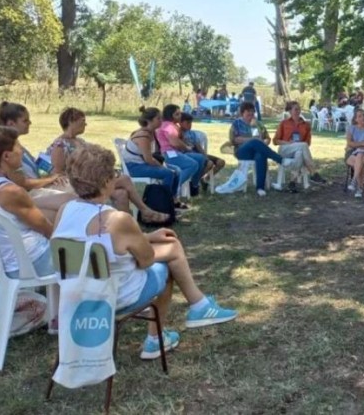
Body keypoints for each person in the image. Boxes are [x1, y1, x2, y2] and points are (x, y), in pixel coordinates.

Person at [53, 144, 237, 359]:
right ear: (106, 181)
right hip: (114, 294)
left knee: (169, 248)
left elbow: (95, 243)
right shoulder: (116, 219)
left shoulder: (65, 211)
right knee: (167, 265)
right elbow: (147, 260)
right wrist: (148, 243)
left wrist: (148, 237)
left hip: (77, 293)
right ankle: (156, 338)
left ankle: (199, 305)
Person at [0, 126, 55, 279]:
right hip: (34, 262)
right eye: (18, 147)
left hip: (5, 266)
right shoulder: (11, 192)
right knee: (90, 250)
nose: (21, 152)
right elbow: (47, 230)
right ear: (6, 156)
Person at [49, 107, 166, 216]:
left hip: (90, 180)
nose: (85, 124)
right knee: (125, 179)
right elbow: (57, 172)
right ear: (71, 121)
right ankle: (145, 211)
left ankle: (125, 228)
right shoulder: (60, 144)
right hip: (78, 183)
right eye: (82, 120)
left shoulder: (79, 141)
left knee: (121, 194)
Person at [124, 107, 189, 210]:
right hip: (134, 167)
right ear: (149, 121)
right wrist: (162, 167)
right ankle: (164, 203)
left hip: (141, 164)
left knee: (176, 170)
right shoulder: (143, 136)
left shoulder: (151, 132)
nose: (161, 121)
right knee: (168, 173)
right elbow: (149, 159)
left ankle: (172, 200)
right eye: (158, 118)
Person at [229, 101, 291, 196]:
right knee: (254, 141)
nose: (250, 113)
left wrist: (263, 142)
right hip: (242, 151)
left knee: (260, 155)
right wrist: (253, 140)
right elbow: (235, 140)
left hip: (257, 150)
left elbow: (267, 138)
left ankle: (260, 188)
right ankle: (280, 159)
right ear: (242, 112)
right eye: (248, 111)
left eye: (252, 111)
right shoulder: (236, 124)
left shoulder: (259, 124)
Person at [155, 104, 208, 197]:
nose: (180, 116)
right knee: (193, 165)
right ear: (170, 115)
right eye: (177, 114)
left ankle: (194, 185)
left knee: (200, 158)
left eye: (179, 113)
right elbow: (175, 143)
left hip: (176, 153)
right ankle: (171, 188)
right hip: (169, 154)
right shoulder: (168, 126)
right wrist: (187, 147)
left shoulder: (172, 125)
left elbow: (179, 140)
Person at [272, 101, 328, 189]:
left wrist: (298, 145)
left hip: (300, 149)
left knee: (300, 153)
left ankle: (292, 183)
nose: (298, 111)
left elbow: (307, 143)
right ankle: (313, 172)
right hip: (285, 149)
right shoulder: (284, 123)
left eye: (299, 109)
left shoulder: (305, 125)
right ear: (290, 111)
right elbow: (275, 141)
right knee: (302, 146)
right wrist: (288, 143)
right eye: (296, 109)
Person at [179, 113, 225, 179]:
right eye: (188, 123)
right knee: (209, 164)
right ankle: (195, 181)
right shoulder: (178, 133)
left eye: (191, 123)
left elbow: (198, 147)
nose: (190, 125)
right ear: (180, 123)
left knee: (221, 162)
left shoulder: (192, 133)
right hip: (188, 155)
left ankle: (205, 179)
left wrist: (205, 155)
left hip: (198, 154)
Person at [345, 108, 364, 198]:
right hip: (351, 154)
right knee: (362, 160)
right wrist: (362, 143)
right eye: (359, 116)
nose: (362, 118)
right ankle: (359, 188)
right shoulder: (351, 128)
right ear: (356, 119)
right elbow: (349, 143)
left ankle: (354, 181)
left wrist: (356, 144)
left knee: (361, 156)